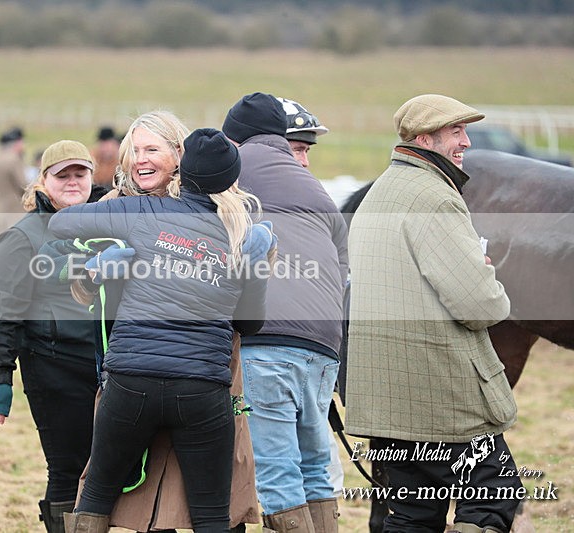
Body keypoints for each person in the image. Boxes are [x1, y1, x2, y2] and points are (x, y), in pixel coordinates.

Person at [50, 127, 271, 533]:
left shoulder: (146, 210)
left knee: (98, 493)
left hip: (132, 380)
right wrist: (255, 270)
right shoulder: (239, 236)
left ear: (181, 170)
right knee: (210, 515)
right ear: (229, 181)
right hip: (202, 388)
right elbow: (250, 324)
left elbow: (62, 225)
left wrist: (109, 255)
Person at [344, 94, 522, 532]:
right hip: (439, 395)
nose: (466, 140)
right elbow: (478, 304)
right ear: (425, 138)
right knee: (494, 493)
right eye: (456, 131)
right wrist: (490, 282)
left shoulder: (380, 192)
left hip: (387, 397)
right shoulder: (434, 197)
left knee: (411, 513)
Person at [221, 92, 349, 533]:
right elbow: (342, 264)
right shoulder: (315, 188)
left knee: (277, 474)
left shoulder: (228, 177)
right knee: (315, 464)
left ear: (232, 140)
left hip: (267, 343)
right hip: (324, 346)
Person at [0, 140, 106, 533]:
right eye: (62, 175)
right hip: (53, 367)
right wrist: (0, 377)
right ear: (44, 180)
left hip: (108, 366)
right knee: (68, 466)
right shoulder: (23, 237)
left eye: (80, 173)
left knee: (109, 465)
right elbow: (5, 310)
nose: (73, 182)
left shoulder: (106, 224)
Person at [279, 97, 345, 499]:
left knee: (321, 473)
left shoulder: (313, 203)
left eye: (306, 151)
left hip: (313, 358)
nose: (304, 162)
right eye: (296, 149)